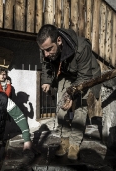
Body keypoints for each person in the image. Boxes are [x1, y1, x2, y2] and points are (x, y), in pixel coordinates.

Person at [36, 24, 101, 160]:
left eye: (48, 49)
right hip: (67, 74)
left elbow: (84, 76)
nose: (46, 54)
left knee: (79, 110)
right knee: (62, 107)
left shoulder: (82, 47)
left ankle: (74, 144)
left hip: (86, 75)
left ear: (59, 41)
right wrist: (46, 80)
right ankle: (64, 140)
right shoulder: (45, 49)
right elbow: (46, 63)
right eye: (43, 50)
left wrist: (71, 94)